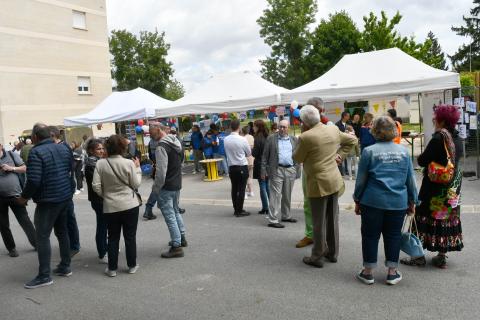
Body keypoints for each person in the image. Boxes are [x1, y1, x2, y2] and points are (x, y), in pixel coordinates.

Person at [353, 116, 418, 285]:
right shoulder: (404, 151)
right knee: (394, 236)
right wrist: (413, 201)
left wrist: (357, 199)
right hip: (398, 202)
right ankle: (392, 272)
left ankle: (368, 272)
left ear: (375, 131)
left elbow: (361, 180)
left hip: (372, 200)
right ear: (394, 131)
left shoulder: (369, 151)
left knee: (369, 235)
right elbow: (410, 179)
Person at [401, 105, 464, 269]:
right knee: (445, 217)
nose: (434, 121)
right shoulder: (458, 138)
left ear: (442, 120)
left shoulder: (438, 138)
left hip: (434, 188)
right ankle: (441, 256)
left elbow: (422, 160)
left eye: (435, 118)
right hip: (452, 187)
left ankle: (418, 256)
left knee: (422, 216)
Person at [293, 105, 356, 268]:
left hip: (318, 183)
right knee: (332, 219)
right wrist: (339, 155)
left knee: (318, 221)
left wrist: (302, 135)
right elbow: (352, 140)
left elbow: (297, 157)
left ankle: (317, 256)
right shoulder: (333, 129)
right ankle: (332, 253)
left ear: (304, 122)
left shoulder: (306, 137)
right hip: (334, 180)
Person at [19, 123, 75, 289]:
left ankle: (44, 275)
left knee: (42, 236)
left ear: (35, 137)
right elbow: (70, 171)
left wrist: (24, 197)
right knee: (62, 232)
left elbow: (34, 180)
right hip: (64, 197)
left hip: (48, 201)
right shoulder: (64, 148)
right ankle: (65, 266)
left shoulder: (36, 152)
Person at [92, 135, 142, 277]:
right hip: (130, 204)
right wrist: (138, 169)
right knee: (130, 237)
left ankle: (112, 268)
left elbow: (95, 185)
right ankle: (132, 265)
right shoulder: (128, 163)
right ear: (122, 147)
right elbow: (136, 184)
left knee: (113, 237)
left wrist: (105, 195)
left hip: (110, 205)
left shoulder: (101, 164)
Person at [295, 97, 327, 248]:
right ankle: (310, 234)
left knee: (326, 207)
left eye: (312, 109)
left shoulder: (329, 125)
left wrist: (339, 155)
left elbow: (347, 141)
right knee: (308, 204)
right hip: (308, 170)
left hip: (325, 173)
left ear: (321, 110)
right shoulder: (305, 127)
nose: (309, 113)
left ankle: (325, 237)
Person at [152, 126, 187, 258]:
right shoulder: (176, 141)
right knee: (176, 211)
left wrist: (156, 188)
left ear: (159, 131)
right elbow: (181, 161)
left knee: (169, 215)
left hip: (166, 185)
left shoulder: (161, 147)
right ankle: (181, 238)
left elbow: (161, 171)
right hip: (177, 182)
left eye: (151, 133)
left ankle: (176, 246)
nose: (150, 136)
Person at [0, 142, 36, 257]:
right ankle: (11, 248)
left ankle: (37, 244)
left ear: (1, 146)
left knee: (25, 221)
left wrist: (11, 168)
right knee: (3, 225)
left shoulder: (11, 154)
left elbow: (25, 168)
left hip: (15, 195)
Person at [49, 126, 81, 257]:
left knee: (69, 218)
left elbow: (70, 166)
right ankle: (70, 244)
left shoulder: (63, 147)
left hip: (66, 186)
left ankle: (74, 245)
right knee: (64, 219)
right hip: (62, 187)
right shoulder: (59, 147)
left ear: (53, 136)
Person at [262, 120, 300, 228]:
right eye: (280, 127)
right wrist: (263, 170)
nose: (282, 129)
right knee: (275, 195)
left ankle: (286, 215)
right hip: (276, 170)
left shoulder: (294, 139)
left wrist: (297, 169)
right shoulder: (271, 138)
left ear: (289, 128)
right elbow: (265, 156)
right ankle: (273, 220)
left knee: (287, 195)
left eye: (284, 127)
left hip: (290, 170)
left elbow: (297, 155)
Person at [84, 139, 108, 264]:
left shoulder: (98, 162)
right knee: (102, 226)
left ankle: (106, 247)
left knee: (106, 225)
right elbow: (99, 183)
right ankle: (102, 252)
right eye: (99, 149)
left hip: (102, 198)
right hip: (98, 199)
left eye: (102, 148)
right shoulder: (91, 164)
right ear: (91, 151)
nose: (101, 151)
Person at [224, 119, 251, 217]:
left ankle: (236, 208)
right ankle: (239, 210)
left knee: (234, 189)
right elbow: (249, 153)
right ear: (239, 128)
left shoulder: (226, 139)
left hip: (231, 166)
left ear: (230, 127)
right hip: (241, 166)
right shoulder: (242, 139)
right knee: (242, 189)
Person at [143, 125, 162, 220]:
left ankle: (150, 208)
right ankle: (148, 208)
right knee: (157, 189)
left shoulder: (151, 142)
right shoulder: (162, 141)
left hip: (155, 167)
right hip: (161, 168)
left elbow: (150, 155)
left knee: (158, 189)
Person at [252, 120, 270, 215]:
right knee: (267, 185)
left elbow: (255, 153)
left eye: (254, 126)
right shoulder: (268, 136)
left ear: (258, 127)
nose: (253, 128)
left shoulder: (257, 138)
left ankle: (265, 207)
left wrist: (251, 150)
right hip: (268, 163)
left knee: (262, 185)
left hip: (260, 163)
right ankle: (271, 205)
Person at [241, 126, 255, 199]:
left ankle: (245, 193)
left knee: (244, 177)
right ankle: (251, 191)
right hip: (251, 159)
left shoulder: (242, 138)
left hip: (244, 159)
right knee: (250, 176)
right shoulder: (252, 137)